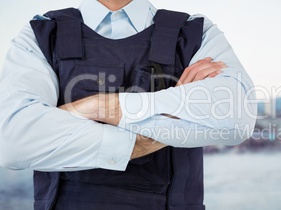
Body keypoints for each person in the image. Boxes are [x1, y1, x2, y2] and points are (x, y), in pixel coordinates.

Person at [0, 0, 257, 209]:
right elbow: (13, 143)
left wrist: (100, 107)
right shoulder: (41, 33)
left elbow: (236, 117)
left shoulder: (195, 32)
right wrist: (174, 113)